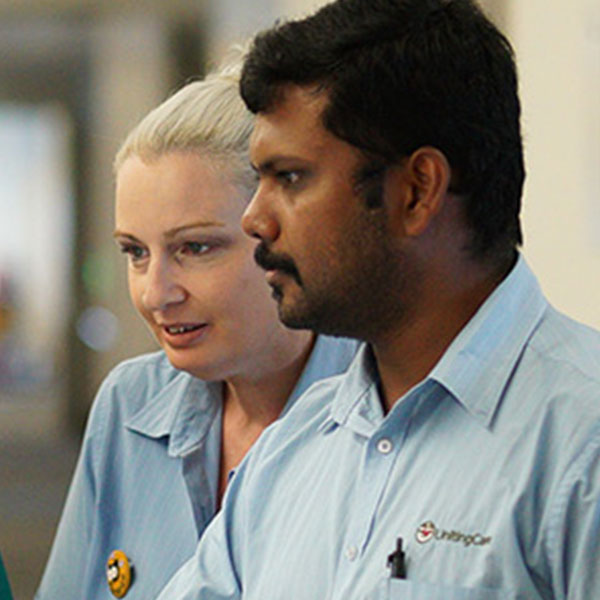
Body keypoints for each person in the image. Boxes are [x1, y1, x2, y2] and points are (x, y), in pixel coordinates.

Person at [156, 1, 600, 598]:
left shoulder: (578, 443)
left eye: (289, 177)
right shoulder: (294, 450)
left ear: (417, 190)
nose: (255, 219)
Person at [34, 48, 357, 600]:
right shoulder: (129, 407)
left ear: (282, 230)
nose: (155, 292)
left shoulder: (383, 414)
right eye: (135, 252)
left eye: (196, 248)